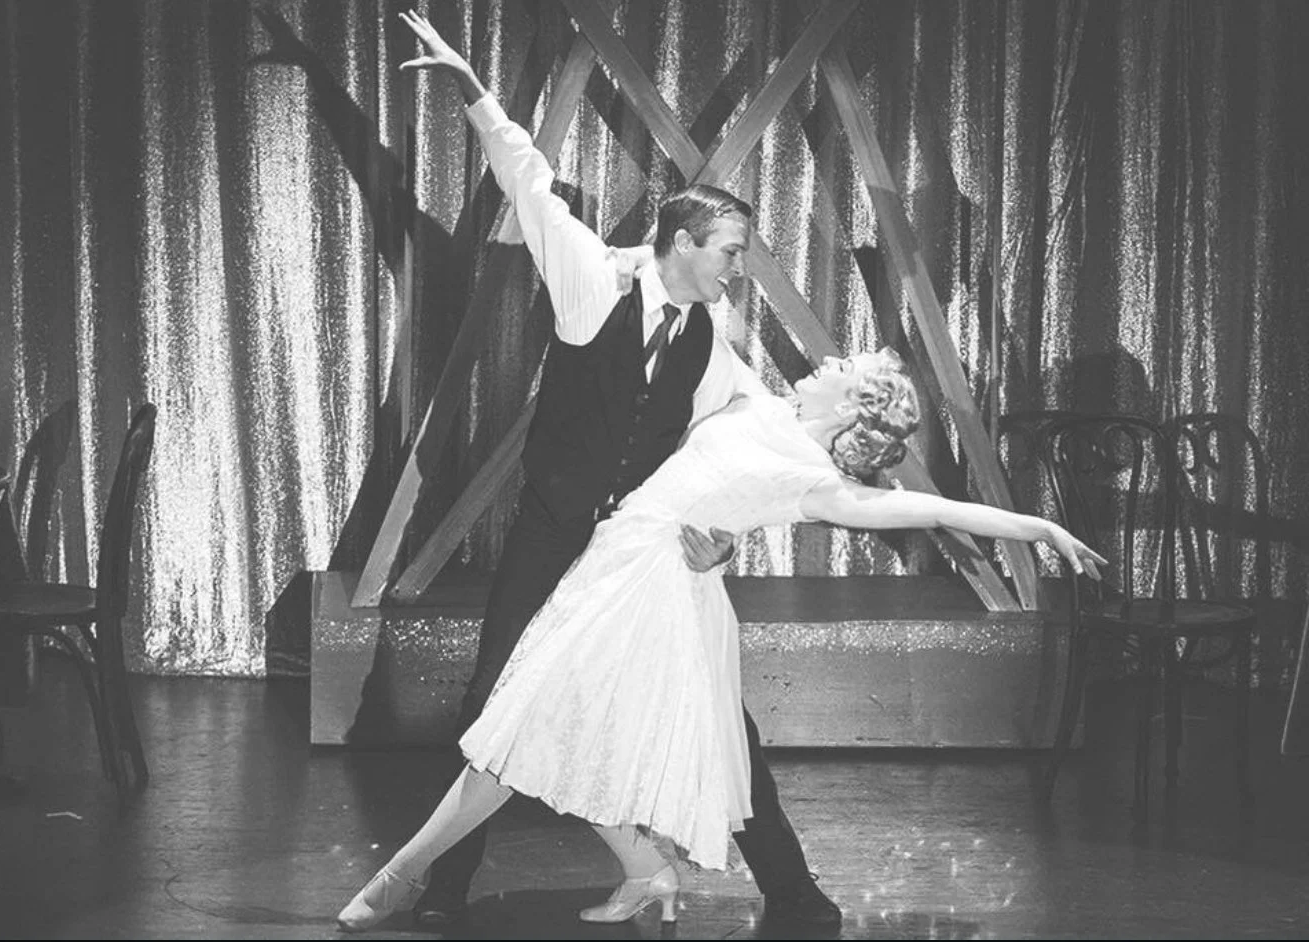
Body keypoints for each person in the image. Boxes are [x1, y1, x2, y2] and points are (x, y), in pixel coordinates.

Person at [336, 338, 1107, 932]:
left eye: (842, 365)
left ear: (852, 406)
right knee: (550, 736)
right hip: (608, 573)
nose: (827, 359)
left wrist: (1036, 525)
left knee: (522, 732)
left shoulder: (816, 482)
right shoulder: (750, 401)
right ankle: (645, 869)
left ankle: (400, 875)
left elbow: (936, 512)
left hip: (655, 601)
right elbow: (703, 323)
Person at [391, 9, 842, 931]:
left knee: (724, 721)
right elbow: (530, 183)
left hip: (631, 552)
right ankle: (442, 893)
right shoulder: (593, 280)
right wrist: (473, 88)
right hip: (552, 530)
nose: (737, 271)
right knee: (495, 700)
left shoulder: (708, 340)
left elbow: (758, 431)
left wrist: (723, 534)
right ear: (683, 243)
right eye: (730, 253)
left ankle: (795, 895)